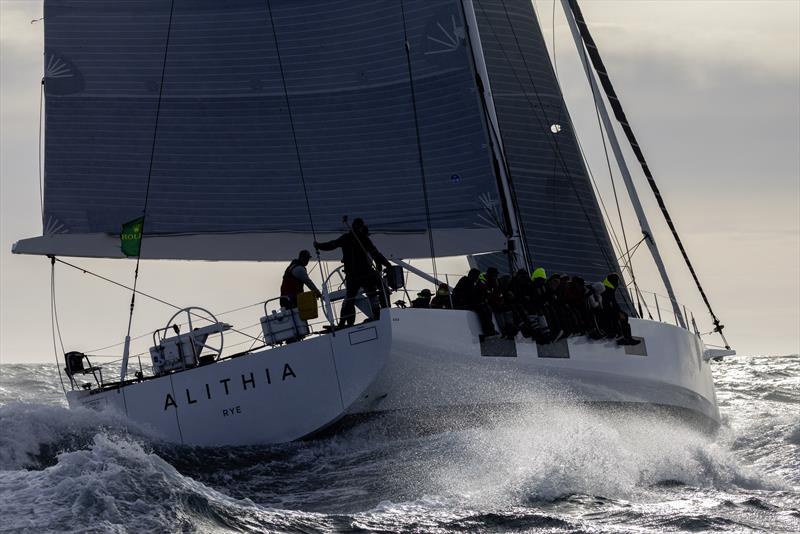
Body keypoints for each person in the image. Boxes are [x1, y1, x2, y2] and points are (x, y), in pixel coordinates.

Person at [314, 218, 391, 328]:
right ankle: (378, 315)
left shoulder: (346, 238)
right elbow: (376, 254)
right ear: (360, 227)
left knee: (349, 299)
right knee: (373, 294)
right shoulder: (364, 239)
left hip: (352, 276)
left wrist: (319, 245)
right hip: (366, 274)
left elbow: (331, 245)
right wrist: (388, 265)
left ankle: (342, 323)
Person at [453, 268, 497, 337]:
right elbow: (463, 294)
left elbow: (479, 293)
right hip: (464, 303)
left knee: (487, 308)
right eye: (476, 276)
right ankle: (487, 331)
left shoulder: (475, 282)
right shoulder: (464, 281)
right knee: (483, 309)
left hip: (472, 303)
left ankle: (491, 329)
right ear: (471, 275)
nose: (476, 277)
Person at [600, 273, 640, 345]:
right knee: (619, 317)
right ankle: (623, 338)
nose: (618, 283)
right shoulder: (607, 289)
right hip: (605, 310)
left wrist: (619, 312)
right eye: (617, 281)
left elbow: (614, 302)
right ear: (613, 281)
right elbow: (610, 303)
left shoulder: (610, 288)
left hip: (608, 309)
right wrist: (618, 313)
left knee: (624, 315)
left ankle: (627, 338)